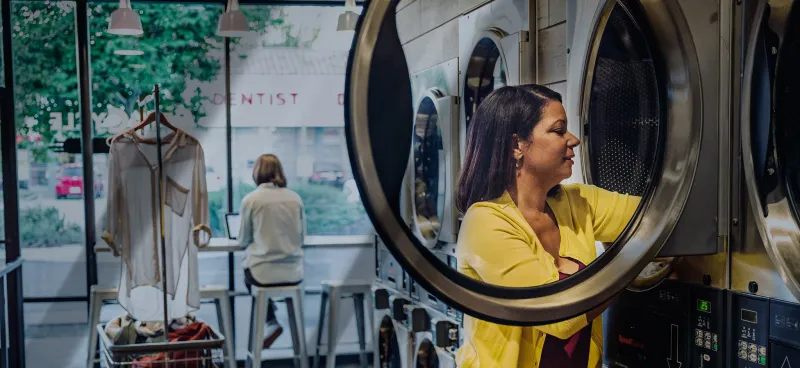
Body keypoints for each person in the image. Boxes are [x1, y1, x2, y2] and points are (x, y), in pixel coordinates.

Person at [454, 85, 641, 368]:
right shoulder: (485, 223)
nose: (574, 140)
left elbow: (657, 217)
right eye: (558, 130)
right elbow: (558, 315)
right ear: (517, 145)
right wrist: (640, 261)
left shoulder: (577, 203)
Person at [238, 154, 305, 349]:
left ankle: (271, 321)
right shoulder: (295, 199)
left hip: (262, 274)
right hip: (294, 273)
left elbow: (243, 240)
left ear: (256, 173)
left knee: (247, 275)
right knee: (259, 279)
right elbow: (302, 238)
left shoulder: (251, 200)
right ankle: (274, 322)